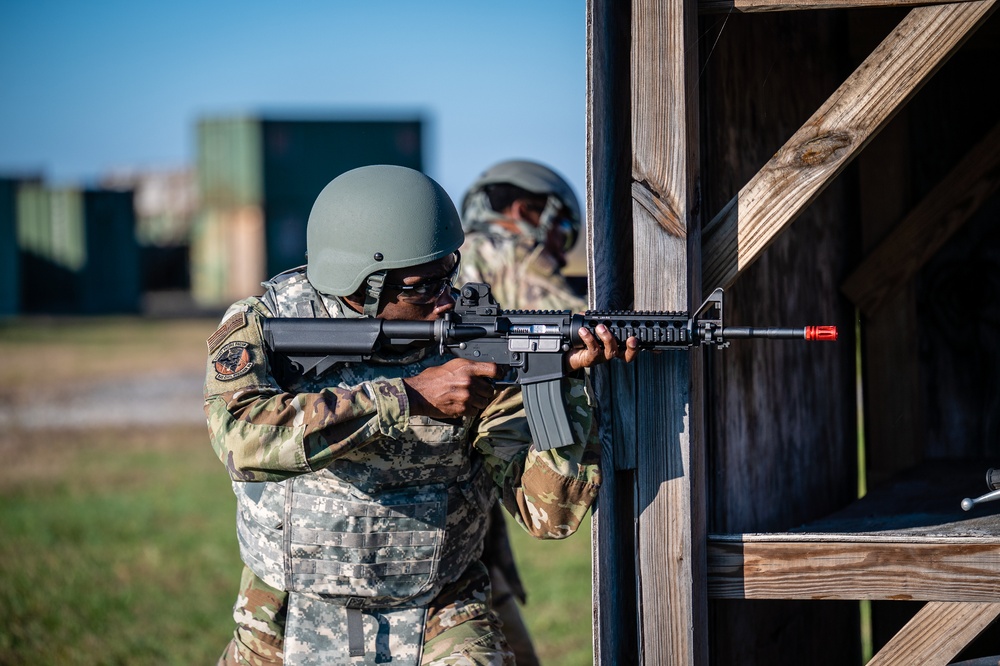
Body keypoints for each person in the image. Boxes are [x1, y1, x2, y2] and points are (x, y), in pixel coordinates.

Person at [205, 164, 636, 666]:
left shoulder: (479, 340)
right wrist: (408, 397)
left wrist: (561, 383)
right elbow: (241, 438)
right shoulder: (266, 321)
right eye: (424, 287)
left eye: (450, 274)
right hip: (284, 611)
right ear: (360, 283)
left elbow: (551, 514)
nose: (447, 299)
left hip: (442, 609)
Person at [457, 159, 588, 665]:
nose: (556, 249)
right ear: (524, 210)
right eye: (558, 230)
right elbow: (573, 319)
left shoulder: (451, 258)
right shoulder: (508, 250)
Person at [458, 159, 587, 313]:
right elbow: (584, 320)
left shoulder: (449, 255)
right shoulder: (516, 254)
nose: (563, 258)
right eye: (563, 230)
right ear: (523, 212)